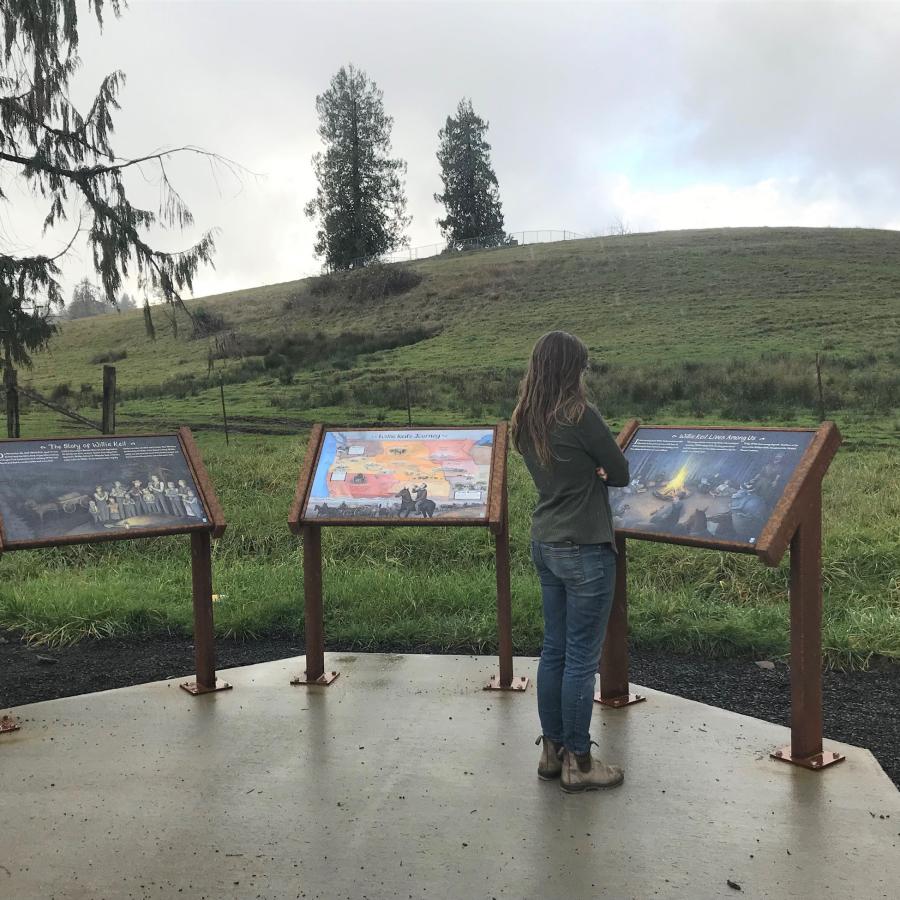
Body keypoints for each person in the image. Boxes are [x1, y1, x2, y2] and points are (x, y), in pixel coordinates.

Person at [511, 331, 630, 794]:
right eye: (581, 367)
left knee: (554, 650)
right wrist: (599, 469)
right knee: (582, 657)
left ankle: (551, 751)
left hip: (545, 542)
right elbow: (618, 471)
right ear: (571, 369)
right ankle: (580, 763)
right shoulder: (580, 416)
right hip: (585, 545)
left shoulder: (524, 419)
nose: (584, 375)